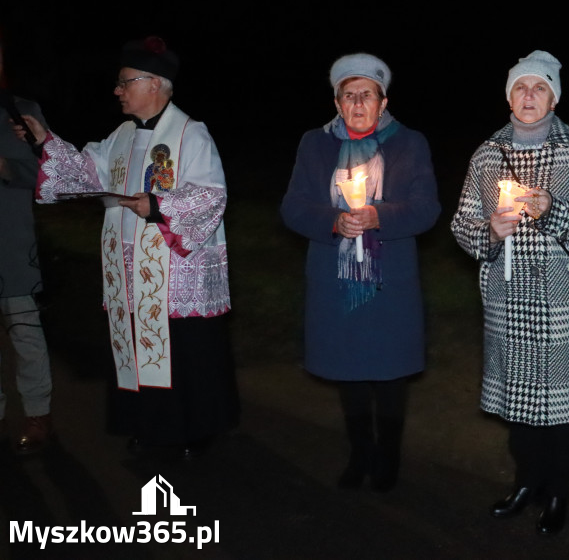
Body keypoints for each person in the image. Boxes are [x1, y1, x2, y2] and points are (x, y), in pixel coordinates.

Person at [17, 36, 238, 459]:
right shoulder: (120, 135)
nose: (117, 90)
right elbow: (85, 173)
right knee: (136, 346)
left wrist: (154, 205)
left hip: (175, 274)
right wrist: (45, 140)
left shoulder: (192, 134)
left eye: (124, 82)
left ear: (154, 83)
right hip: (129, 269)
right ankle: (147, 423)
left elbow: (211, 195)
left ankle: (194, 428)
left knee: (184, 350)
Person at [281, 52, 439, 493]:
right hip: (335, 279)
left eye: (365, 95)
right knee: (347, 366)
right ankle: (360, 452)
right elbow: (293, 207)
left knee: (388, 371)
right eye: (347, 95)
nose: (356, 103)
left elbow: (426, 208)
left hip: (389, 281)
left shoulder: (410, 144)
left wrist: (377, 216)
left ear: (383, 101)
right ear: (336, 102)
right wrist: (333, 221)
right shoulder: (315, 144)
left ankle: (387, 455)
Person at [451, 50, 569, 535]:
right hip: (506, 297)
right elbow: (461, 224)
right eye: (520, 87)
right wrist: (489, 230)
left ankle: (559, 493)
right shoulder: (487, 153)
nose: (529, 96)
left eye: (540, 88)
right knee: (520, 402)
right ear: (509, 95)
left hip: (560, 297)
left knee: (562, 405)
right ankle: (527, 482)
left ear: (553, 97)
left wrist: (551, 208)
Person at [0, 39, 53, 454]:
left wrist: (4, 166)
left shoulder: (21, 110)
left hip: (12, 243)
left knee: (25, 333)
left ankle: (37, 415)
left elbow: (47, 173)